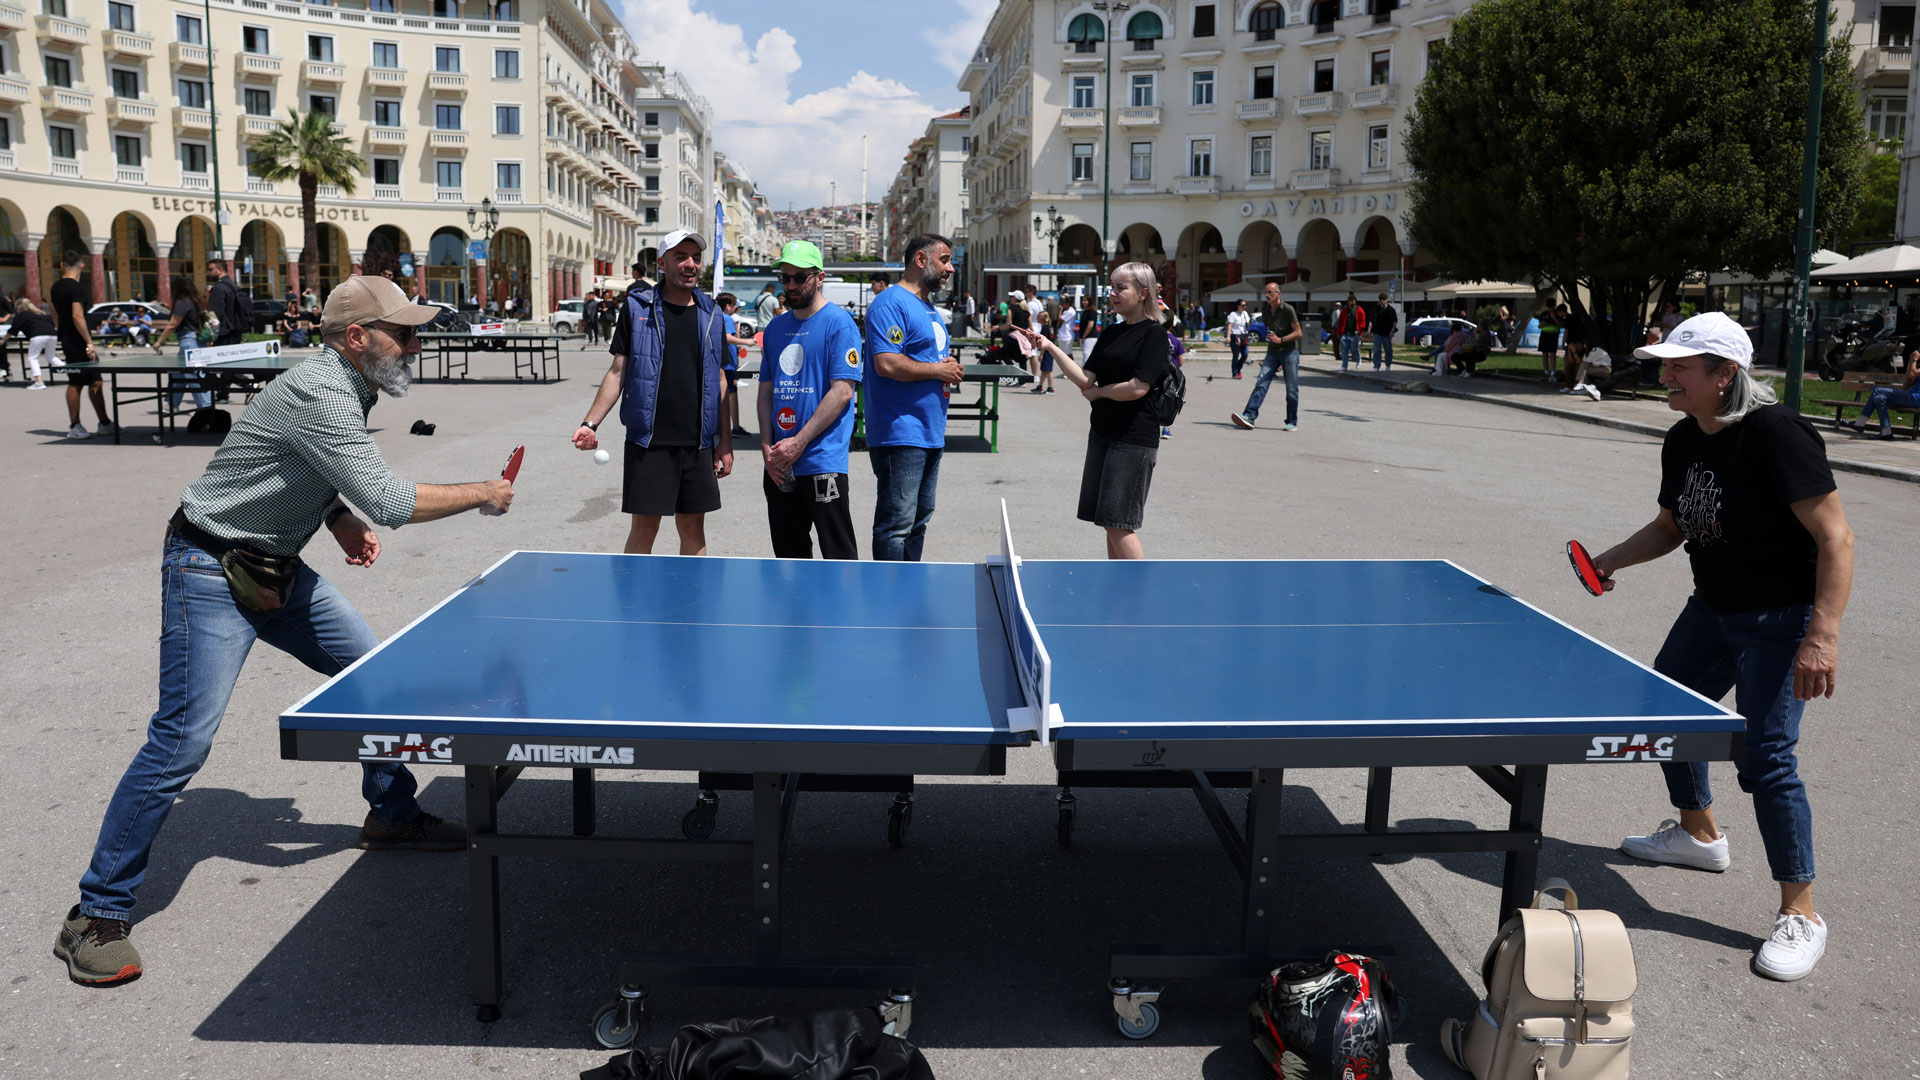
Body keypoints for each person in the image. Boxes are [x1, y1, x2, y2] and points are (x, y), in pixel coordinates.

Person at [54, 275, 509, 988]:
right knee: (181, 742)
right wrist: (485, 491)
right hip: (208, 568)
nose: (416, 344)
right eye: (405, 332)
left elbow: (300, 462)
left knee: (375, 682)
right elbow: (390, 500)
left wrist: (333, 517)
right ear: (357, 337)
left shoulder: (345, 382)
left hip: (276, 566)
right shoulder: (325, 391)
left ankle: (391, 814)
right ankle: (95, 914)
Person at [1587, 311, 1853, 984]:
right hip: (1714, 610)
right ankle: (1700, 835)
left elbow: (1836, 538)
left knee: (1765, 759)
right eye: (1666, 364)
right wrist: (1610, 559)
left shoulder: (1777, 435)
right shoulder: (1683, 438)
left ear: (1724, 374)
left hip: (1781, 619)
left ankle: (1802, 914)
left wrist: (1821, 634)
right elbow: (1671, 527)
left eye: (1680, 366)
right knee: (1665, 712)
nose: (1665, 374)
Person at [579, 231, 734, 555]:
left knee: (693, 528)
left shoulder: (712, 313)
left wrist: (725, 441)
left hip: (698, 443)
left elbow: (720, 379)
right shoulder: (637, 309)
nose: (690, 264)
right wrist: (590, 424)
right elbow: (617, 372)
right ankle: (633, 604)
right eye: (681, 257)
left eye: (695, 257)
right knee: (645, 528)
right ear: (662, 263)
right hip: (649, 441)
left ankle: (693, 602)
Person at [1012, 262, 1170, 559]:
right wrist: (1049, 346)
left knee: (1120, 524)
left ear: (1143, 293)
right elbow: (1085, 378)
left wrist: (1099, 393)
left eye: (1121, 287)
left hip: (1133, 439)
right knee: (1109, 523)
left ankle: (1141, 597)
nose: (1113, 293)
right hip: (1102, 434)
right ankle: (1118, 590)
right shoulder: (1112, 332)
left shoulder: (1154, 335)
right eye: (1112, 286)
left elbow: (1138, 387)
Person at [862, 234, 964, 562]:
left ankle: (907, 591)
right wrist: (937, 370)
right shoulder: (890, 303)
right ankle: (888, 600)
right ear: (921, 260)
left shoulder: (927, 306)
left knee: (919, 521)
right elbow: (887, 362)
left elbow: (927, 357)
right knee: (897, 524)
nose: (951, 267)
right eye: (945, 259)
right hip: (900, 432)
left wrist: (942, 366)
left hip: (928, 431)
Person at [758, 240, 862, 560]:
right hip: (779, 464)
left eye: (799, 277)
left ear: (819, 277)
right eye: (785, 277)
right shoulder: (776, 327)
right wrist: (766, 447)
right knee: (789, 558)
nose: (790, 285)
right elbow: (765, 392)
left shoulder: (839, 323)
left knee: (838, 555)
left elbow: (842, 392)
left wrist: (798, 443)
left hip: (820, 460)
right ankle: (796, 612)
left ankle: (841, 612)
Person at [52, 252, 112, 440]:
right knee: (76, 382)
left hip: (67, 338)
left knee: (95, 380)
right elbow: (77, 315)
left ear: (62, 264)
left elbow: (55, 313)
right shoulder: (77, 288)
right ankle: (75, 426)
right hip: (77, 340)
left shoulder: (55, 287)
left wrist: (60, 331)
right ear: (82, 266)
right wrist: (89, 341)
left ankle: (104, 423)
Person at [1230, 281, 1304, 431]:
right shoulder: (1266, 312)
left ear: (1278, 294)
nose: (1267, 295)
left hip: (1289, 351)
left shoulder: (1288, 309)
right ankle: (1249, 416)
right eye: (1266, 293)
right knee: (1261, 382)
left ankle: (1291, 421)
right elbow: (1271, 330)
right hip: (1272, 352)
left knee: (1291, 389)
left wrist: (1281, 340)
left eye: (1270, 292)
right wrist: (1273, 339)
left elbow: (1298, 333)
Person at [150, 274, 214, 412]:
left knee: (193, 376)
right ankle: (172, 404)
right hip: (197, 341)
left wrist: (159, 342)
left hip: (188, 341)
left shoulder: (183, 302)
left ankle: (205, 408)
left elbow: (172, 324)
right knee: (178, 373)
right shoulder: (197, 301)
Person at [1847, 347, 1920, 439]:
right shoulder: (1916, 365)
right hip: (1911, 396)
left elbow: (1915, 373)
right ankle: (1886, 431)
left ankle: (1860, 423)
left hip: (1917, 399)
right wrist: (1910, 362)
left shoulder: (1917, 365)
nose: (1917, 353)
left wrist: (1914, 360)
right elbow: (1906, 384)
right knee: (1879, 398)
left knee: (1878, 390)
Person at [716, 291, 755, 438]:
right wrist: (746, 342)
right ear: (728, 306)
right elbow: (727, 338)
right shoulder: (727, 318)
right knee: (731, 396)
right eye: (734, 305)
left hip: (721, 362)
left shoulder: (714, 316)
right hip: (728, 365)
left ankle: (719, 426)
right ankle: (735, 427)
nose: (735, 308)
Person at [6, 298, 58, 389]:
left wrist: (2, 341)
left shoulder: (21, 315)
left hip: (37, 335)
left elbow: (12, 331)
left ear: (18, 307)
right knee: (51, 357)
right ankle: (74, 374)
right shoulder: (42, 314)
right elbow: (53, 324)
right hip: (52, 335)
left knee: (33, 358)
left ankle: (39, 382)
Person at [206, 261, 249, 347]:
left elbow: (216, 315)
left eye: (210, 270)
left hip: (224, 334)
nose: (208, 273)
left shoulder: (219, 288)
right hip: (236, 332)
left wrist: (209, 337)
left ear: (220, 270)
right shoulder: (233, 286)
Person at [1161, 302, 1185, 439]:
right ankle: (1166, 429)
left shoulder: (1156, 337)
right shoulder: (1176, 341)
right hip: (1172, 375)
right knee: (1169, 401)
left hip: (1158, 372)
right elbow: (1180, 361)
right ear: (1172, 325)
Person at [1335, 294, 1367, 372]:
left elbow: (1362, 321)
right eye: (1350, 301)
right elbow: (1340, 322)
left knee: (1354, 349)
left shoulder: (1359, 310)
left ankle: (1358, 359)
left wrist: (1360, 331)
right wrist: (1339, 332)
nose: (1351, 302)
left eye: (1352, 301)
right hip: (1345, 334)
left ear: (1355, 302)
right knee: (1344, 350)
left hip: (1355, 334)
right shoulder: (1344, 311)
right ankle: (1344, 365)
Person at [1370, 293, 1398, 372]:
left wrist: (1392, 331)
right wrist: (1369, 329)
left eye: (1383, 299)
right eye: (1380, 299)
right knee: (1377, 350)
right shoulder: (1376, 309)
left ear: (1387, 300)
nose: (1382, 301)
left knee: (1388, 350)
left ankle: (1388, 364)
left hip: (1387, 333)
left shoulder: (1391, 310)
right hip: (1377, 332)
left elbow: (1395, 321)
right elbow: (1371, 320)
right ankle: (1376, 366)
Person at [1536, 304, 1562, 383]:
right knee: (1544, 354)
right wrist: (1544, 324)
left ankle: (1553, 372)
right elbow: (1539, 326)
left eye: (1551, 306)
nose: (1550, 308)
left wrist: (1554, 318)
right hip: (1544, 335)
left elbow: (1560, 325)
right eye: (1549, 306)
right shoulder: (1544, 314)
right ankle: (1546, 372)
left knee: (1552, 354)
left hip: (1553, 336)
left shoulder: (1557, 314)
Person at [1226, 299, 1251, 378]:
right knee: (1236, 355)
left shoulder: (1245, 314)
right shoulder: (1233, 314)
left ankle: (1238, 369)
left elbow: (1247, 324)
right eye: (1243, 305)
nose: (1245, 307)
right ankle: (1235, 373)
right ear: (1238, 306)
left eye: (1245, 305)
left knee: (1245, 354)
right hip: (1235, 336)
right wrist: (1228, 336)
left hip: (1244, 336)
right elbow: (1230, 325)